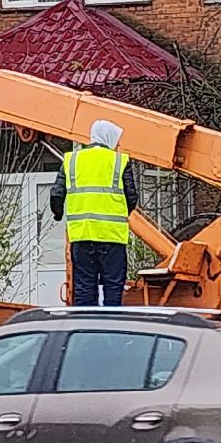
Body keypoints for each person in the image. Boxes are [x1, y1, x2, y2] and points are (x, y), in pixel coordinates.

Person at [50, 119, 140, 307]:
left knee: (84, 289)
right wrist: (121, 213)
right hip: (113, 238)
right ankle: (110, 324)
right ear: (110, 138)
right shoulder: (119, 161)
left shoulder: (72, 160)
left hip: (82, 236)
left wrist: (58, 214)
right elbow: (131, 197)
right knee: (113, 289)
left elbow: (56, 194)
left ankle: (86, 323)